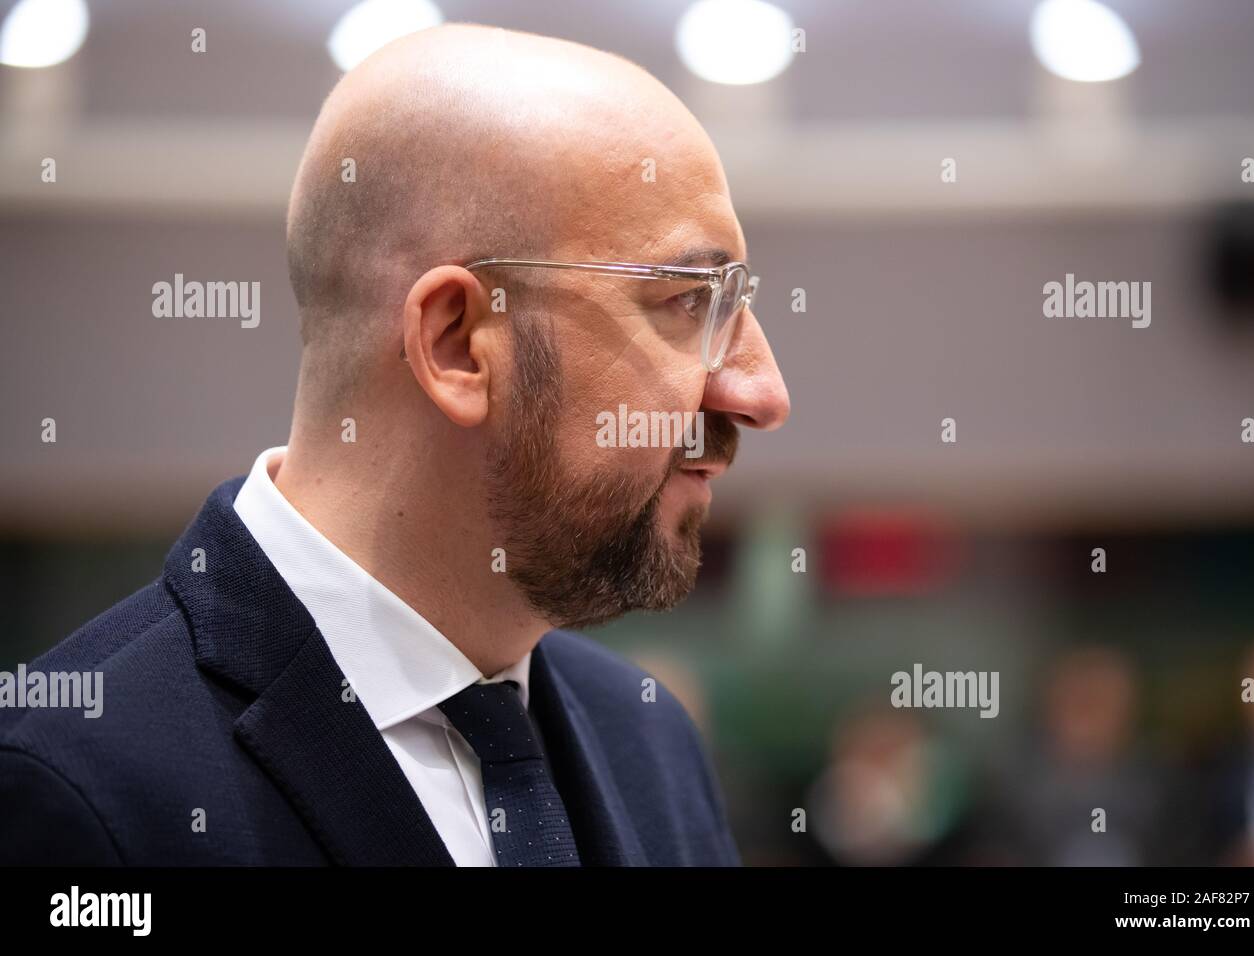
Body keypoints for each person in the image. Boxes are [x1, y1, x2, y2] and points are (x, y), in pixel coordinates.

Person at [0, 23, 789, 866]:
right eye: (688, 302)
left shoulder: (647, 742)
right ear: (456, 342)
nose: (762, 391)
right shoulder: (77, 788)